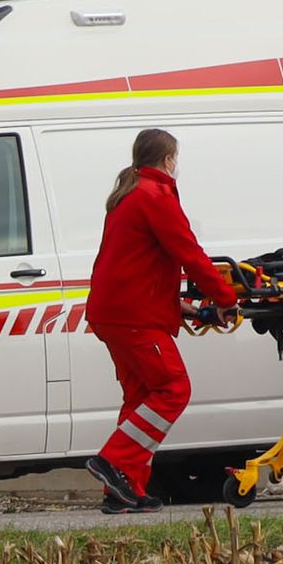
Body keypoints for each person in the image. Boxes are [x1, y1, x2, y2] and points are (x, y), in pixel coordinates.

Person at [86, 126, 235, 512]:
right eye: (176, 160)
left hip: (117, 312)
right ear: (168, 160)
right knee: (173, 388)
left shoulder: (128, 195)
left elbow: (139, 264)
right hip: (134, 317)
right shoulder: (156, 196)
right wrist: (225, 298)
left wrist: (177, 305)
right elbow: (189, 253)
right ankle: (115, 462)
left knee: (139, 399)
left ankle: (123, 491)